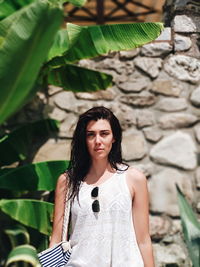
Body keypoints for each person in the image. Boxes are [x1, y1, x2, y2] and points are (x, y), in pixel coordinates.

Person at [49, 106, 155, 267]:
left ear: (114, 137)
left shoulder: (134, 179)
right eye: (91, 135)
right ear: (84, 140)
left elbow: (143, 240)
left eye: (104, 134)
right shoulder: (67, 181)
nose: (98, 140)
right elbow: (56, 239)